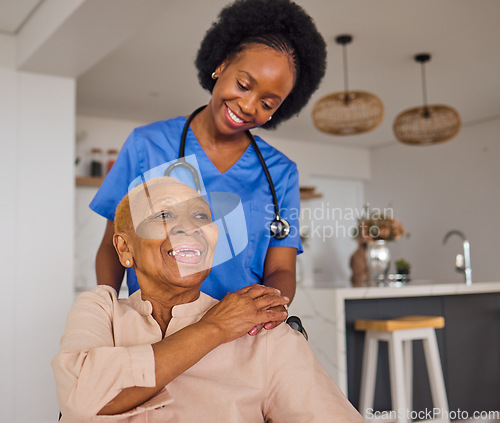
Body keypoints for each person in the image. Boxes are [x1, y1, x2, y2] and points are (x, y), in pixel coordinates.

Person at [89, 0, 327, 325]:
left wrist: (272, 308)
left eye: (267, 103)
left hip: (240, 333)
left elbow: (281, 268)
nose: (247, 105)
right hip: (155, 330)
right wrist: (105, 314)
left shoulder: (281, 173)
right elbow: (111, 245)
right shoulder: (147, 145)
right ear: (222, 64)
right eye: (243, 85)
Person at [52, 177, 363, 422]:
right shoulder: (101, 310)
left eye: (201, 215)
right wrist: (214, 328)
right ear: (124, 249)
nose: (191, 226)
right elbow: (84, 400)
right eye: (163, 213)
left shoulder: (262, 336)